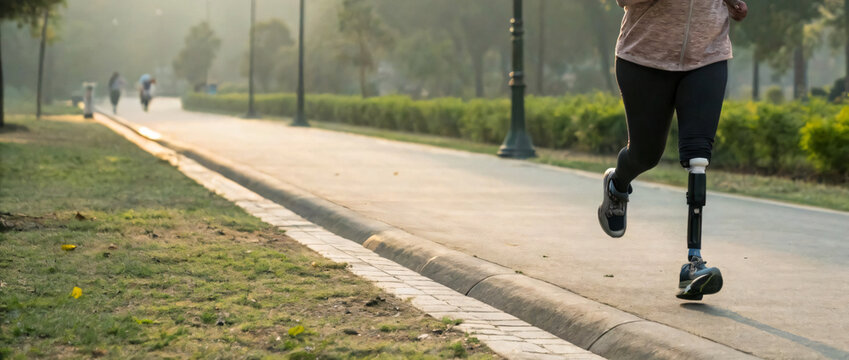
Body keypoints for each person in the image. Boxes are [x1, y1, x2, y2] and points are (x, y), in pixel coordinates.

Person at [598, 0, 748, 300]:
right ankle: (618, 184)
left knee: (698, 155)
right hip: (644, 58)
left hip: (707, 57)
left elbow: (736, 7)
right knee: (646, 153)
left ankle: (694, 263)